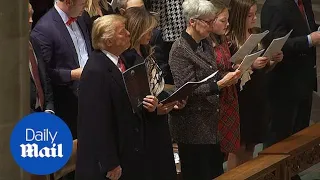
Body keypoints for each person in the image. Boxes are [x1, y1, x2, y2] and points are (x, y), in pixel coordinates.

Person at [76, 14, 160, 180]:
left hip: (130, 152)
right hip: (109, 164)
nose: (129, 34)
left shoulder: (122, 61)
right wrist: (110, 162)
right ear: (108, 41)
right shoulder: (95, 71)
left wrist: (149, 105)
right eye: (123, 32)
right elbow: (95, 122)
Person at [169, 0, 241, 179]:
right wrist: (219, 84)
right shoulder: (180, 49)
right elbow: (186, 90)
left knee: (215, 172)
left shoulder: (205, 42)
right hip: (193, 127)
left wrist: (229, 74)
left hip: (211, 123)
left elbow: (212, 73)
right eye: (208, 22)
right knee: (199, 173)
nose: (211, 26)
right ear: (193, 22)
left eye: (212, 21)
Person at [121, 7, 183, 180]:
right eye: (148, 29)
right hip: (146, 125)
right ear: (137, 29)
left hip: (159, 120)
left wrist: (171, 99)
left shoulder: (147, 50)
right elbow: (135, 98)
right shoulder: (128, 58)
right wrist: (156, 109)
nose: (152, 33)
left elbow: (156, 84)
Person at [227, 0, 283, 169]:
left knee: (251, 143)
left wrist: (272, 61)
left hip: (257, 95)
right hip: (240, 97)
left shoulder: (256, 34)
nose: (254, 18)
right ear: (239, 16)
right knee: (238, 147)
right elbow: (228, 69)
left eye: (254, 13)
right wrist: (251, 65)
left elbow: (263, 69)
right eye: (249, 15)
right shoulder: (229, 40)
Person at [31, 0, 92, 140]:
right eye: (83, 2)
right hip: (69, 102)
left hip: (91, 94)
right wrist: (72, 74)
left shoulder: (83, 17)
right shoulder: (44, 29)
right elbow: (44, 73)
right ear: (69, 2)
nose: (86, 5)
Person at [209, 0, 240, 171]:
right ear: (210, 20)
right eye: (223, 20)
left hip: (230, 97)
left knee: (229, 149)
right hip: (216, 99)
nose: (227, 24)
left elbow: (226, 63)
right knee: (216, 153)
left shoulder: (223, 39)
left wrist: (234, 67)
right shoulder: (205, 43)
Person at [28, 3, 54, 114]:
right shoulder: (7, 51)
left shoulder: (34, 40)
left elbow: (44, 77)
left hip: (43, 110)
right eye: (26, 16)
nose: (31, 21)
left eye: (31, 16)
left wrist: (49, 108)